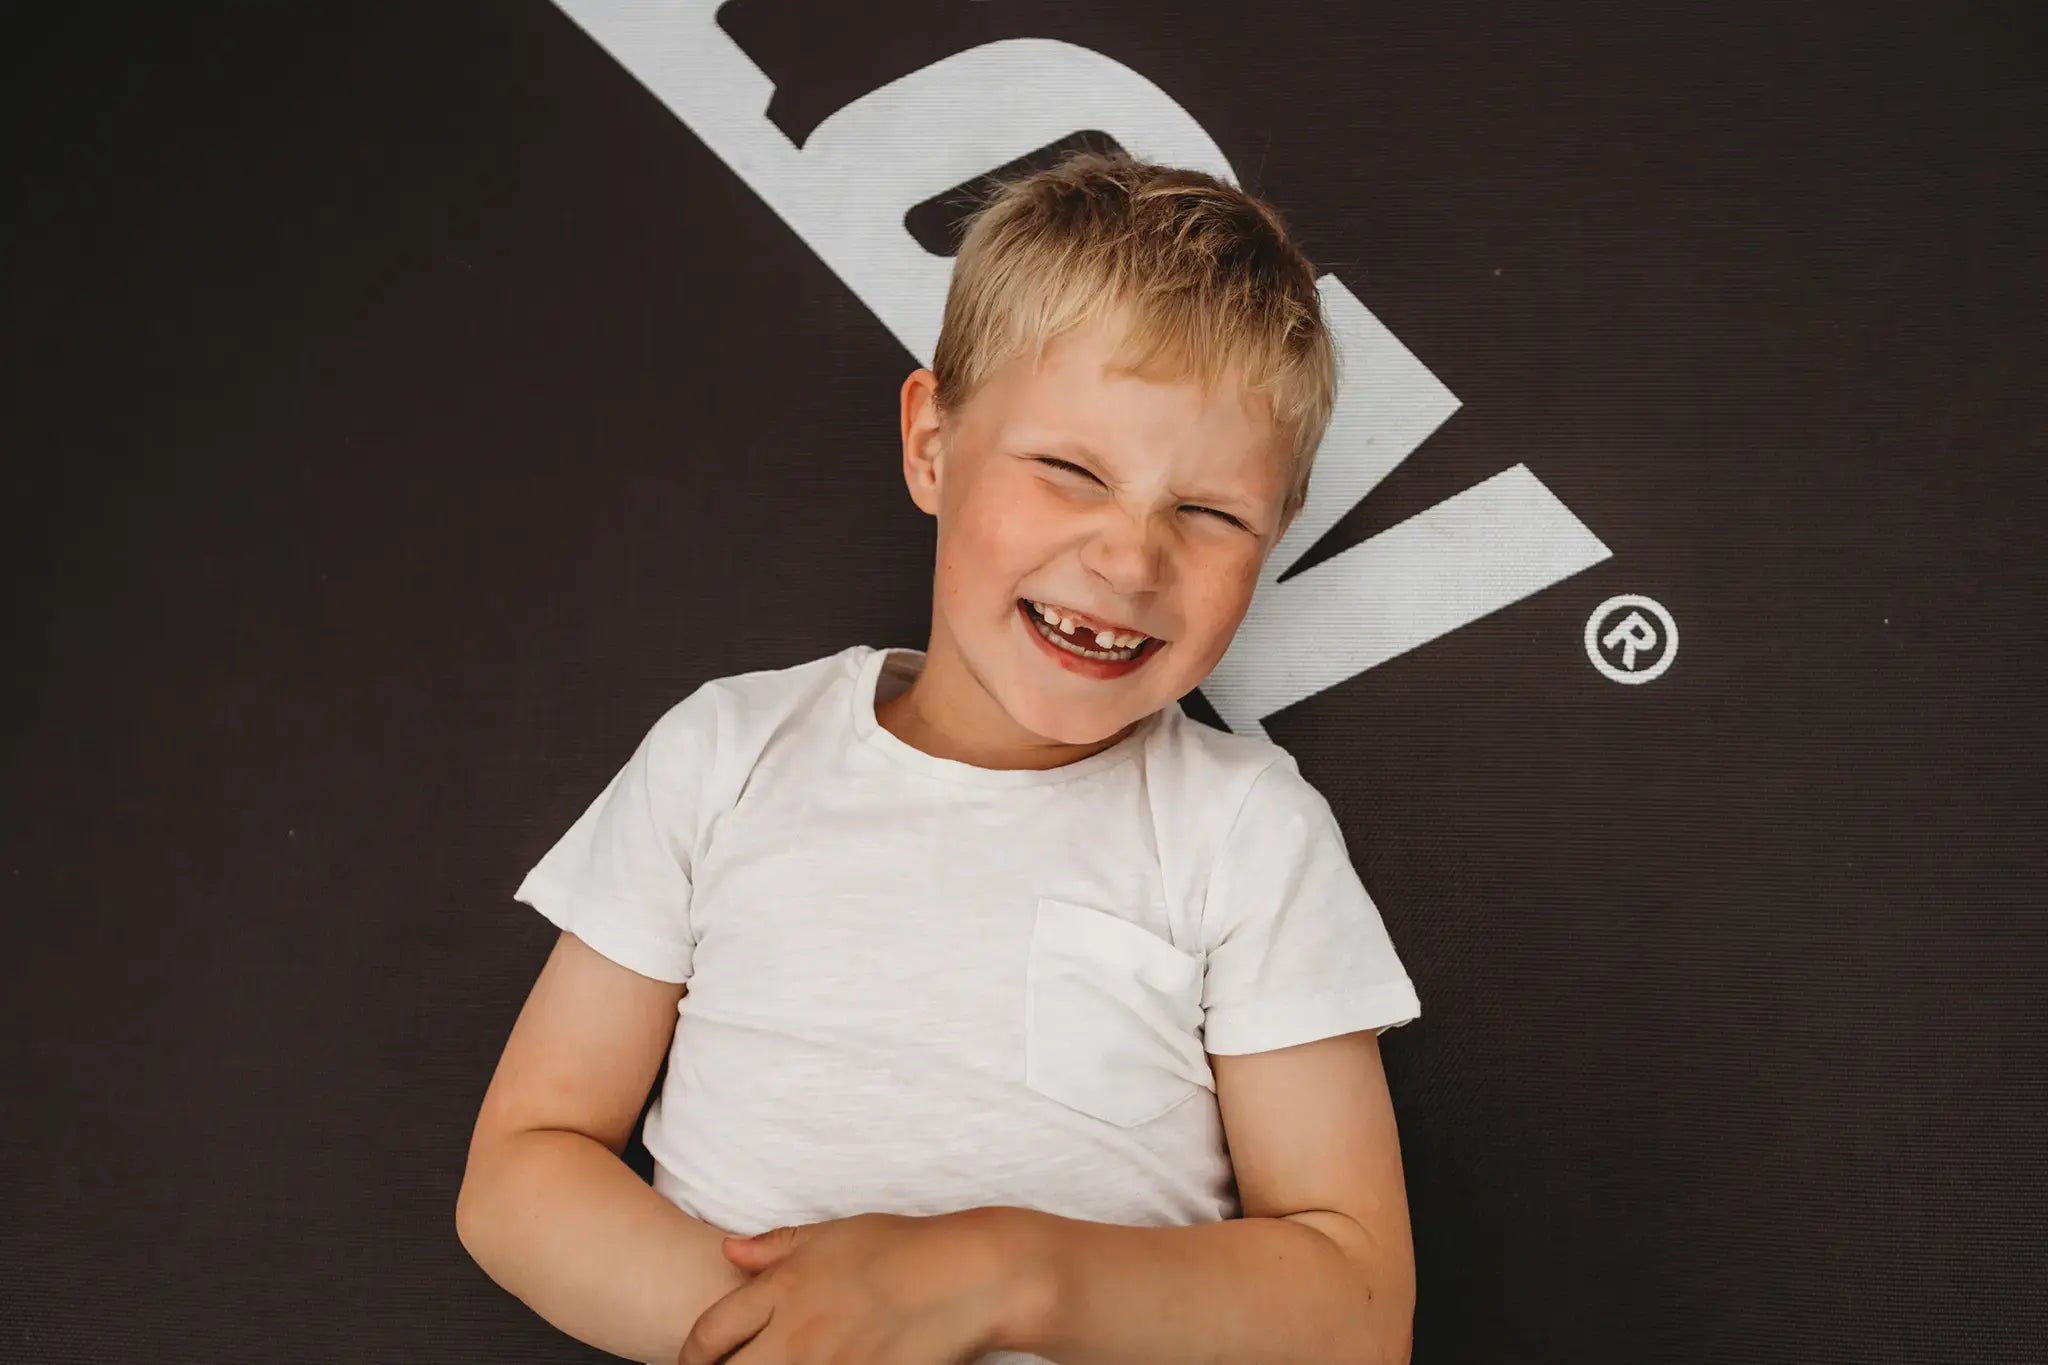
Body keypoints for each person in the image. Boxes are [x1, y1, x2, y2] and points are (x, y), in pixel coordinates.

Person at [456, 148, 1423, 1365]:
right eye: (1070, 471)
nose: (1129, 561)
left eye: (1209, 512)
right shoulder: (728, 754)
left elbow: (1356, 1309)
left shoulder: (1245, 834)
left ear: (1271, 539)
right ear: (930, 443)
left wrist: (1003, 1274)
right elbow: (522, 1169)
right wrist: (799, 1333)